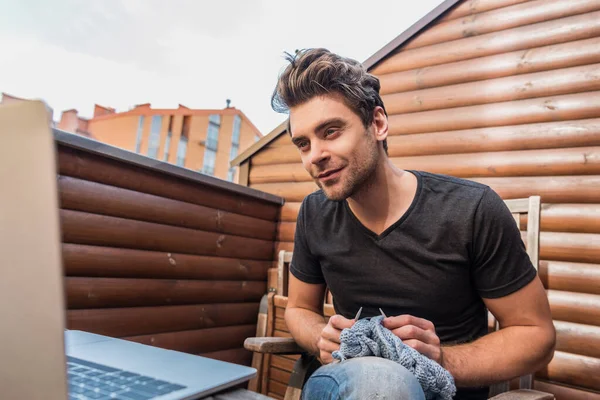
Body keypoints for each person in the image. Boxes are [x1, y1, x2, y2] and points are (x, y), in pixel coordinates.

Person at [270, 48, 556, 400]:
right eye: (303, 143)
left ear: (377, 124)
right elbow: (299, 309)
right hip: (342, 383)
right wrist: (319, 335)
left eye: (330, 131)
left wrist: (440, 359)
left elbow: (536, 335)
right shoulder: (315, 213)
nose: (314, 155)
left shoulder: (471, 210)